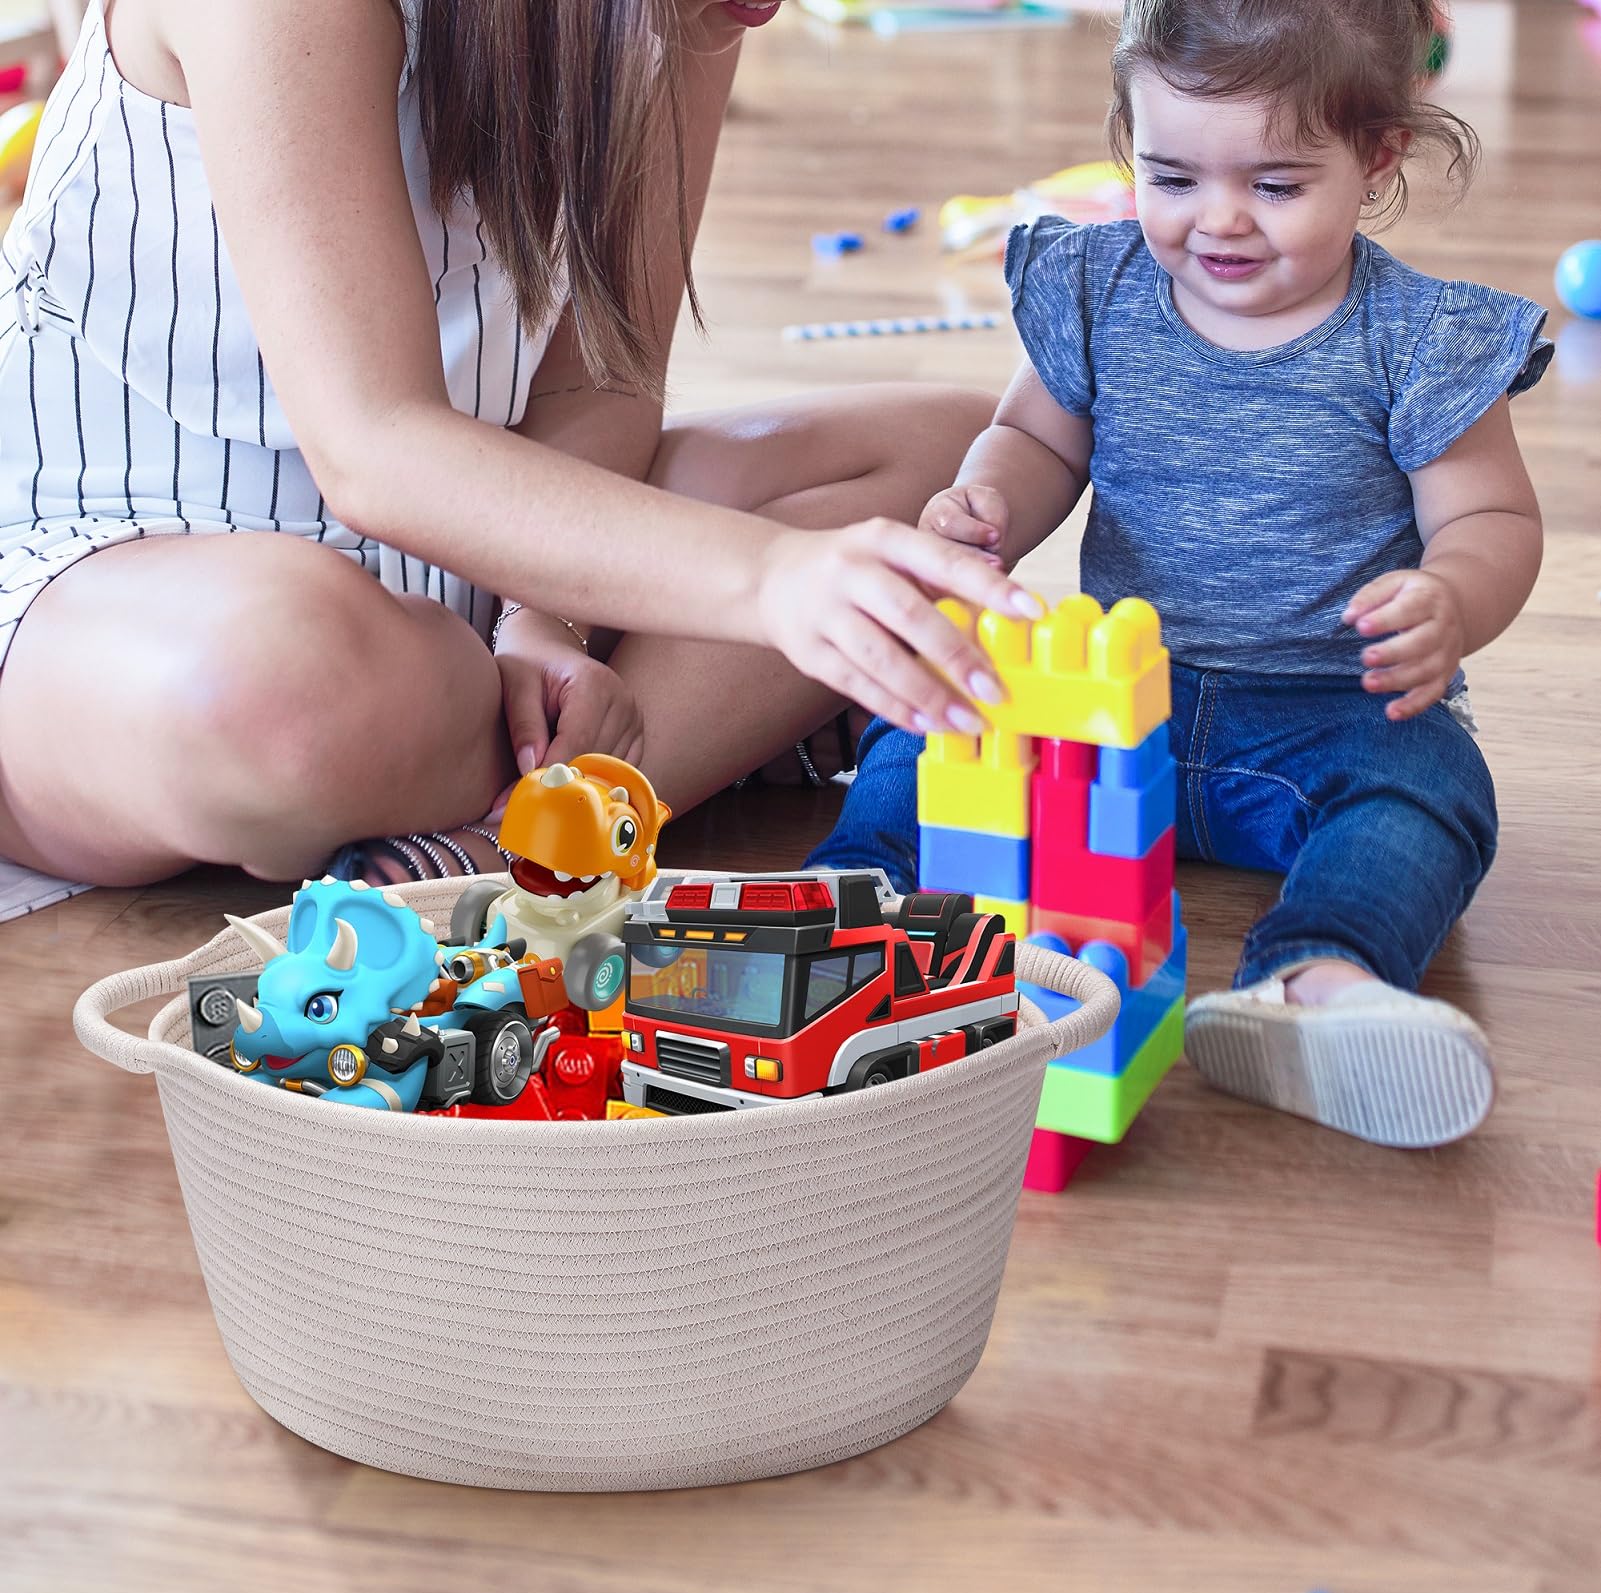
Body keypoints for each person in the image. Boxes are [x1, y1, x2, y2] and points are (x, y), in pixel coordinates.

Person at [0, 0, 1040, 919]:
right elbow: (375, 449)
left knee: (969, 468)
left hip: (469, 567)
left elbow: (604, 376)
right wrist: (767, 583)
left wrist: (546, 619)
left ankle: (518, 838)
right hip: (107, 586)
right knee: (279, 687)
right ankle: (685, 740)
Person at [805, 0, 1551, 1148]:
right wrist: (985, 498)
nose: (1218, 221)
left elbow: (1491, 514)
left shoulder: (1418, 339)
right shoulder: (1097, 286)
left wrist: (1451, 595)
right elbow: (1037, 441)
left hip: (1321, 711)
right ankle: (846, 916)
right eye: (1170, 177)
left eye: (1274, 184)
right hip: (1106, 703)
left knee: (1429, 789)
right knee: (925, 721)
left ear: (1376, 155)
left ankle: (1314, 980)